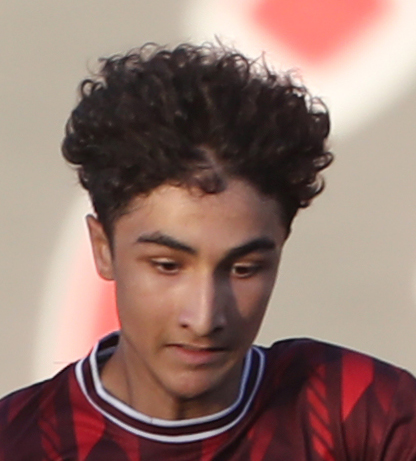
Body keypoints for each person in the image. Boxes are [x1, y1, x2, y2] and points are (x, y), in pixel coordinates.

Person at [1, 42, 415, 460]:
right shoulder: (16, 442)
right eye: (167, 266)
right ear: (103, 248)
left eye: (243, 268)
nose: (204, 318)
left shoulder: (369, 416)